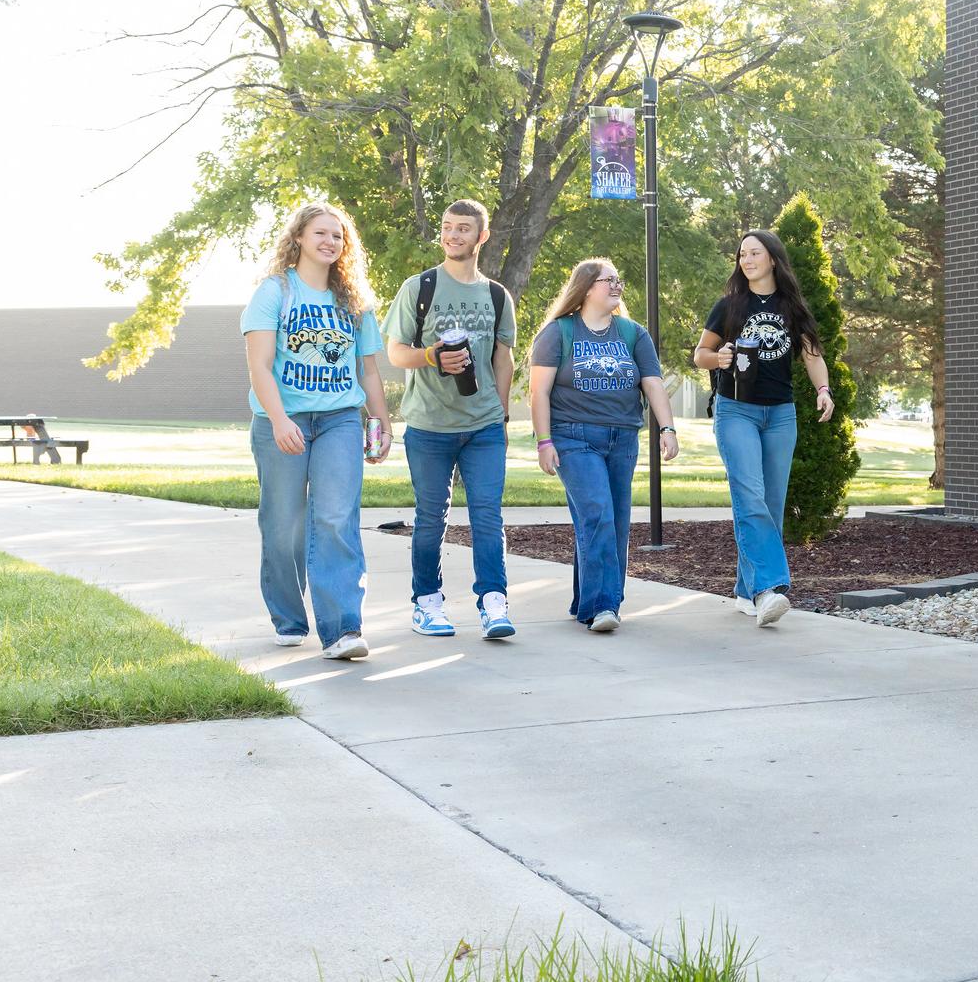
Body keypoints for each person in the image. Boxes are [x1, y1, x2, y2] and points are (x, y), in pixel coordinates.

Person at [241, 203, 389, 660]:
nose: (330, 242)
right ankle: (288, 616)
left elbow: (368, 372)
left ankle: (343, 629)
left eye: (338, 236)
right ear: (299, 238)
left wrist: (381, 422)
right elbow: (259, 367)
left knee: (335, 518)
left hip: (340, 420)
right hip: (280, 421)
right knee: (283, 524)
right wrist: (281, 420)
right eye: (320, 233)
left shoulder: (354, 302)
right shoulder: (274, 292)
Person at [383, 200, 519, 640]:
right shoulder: (419, 287)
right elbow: (396, 352)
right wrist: (432, 356)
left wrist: (499, 412)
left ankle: (494, 603)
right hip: (428, 426)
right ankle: (427, 604)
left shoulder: (497, 295)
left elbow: (504, 358)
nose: (453, 235)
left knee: (487, 516)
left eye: (463, 229)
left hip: (483, 427)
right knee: (430, 517)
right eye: (447, 228)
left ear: (481, 237)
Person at [691, 230, 836, 628]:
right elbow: (699, 354)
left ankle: (744, 590)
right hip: (736, 409)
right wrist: (717, 358)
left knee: (771, 503)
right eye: (742, 254)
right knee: (750, 496)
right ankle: (769, 589)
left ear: (773, 258)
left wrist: (823, 390)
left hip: (780, 414)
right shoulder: (729, 306)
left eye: (755, 253)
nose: (747, 259)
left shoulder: (792, 307)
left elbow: (812, 355)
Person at [529, 258, 679, 634]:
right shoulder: (557, 333)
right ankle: (604, 606)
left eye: (618, 280)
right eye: (607, 280)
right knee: (597, 514)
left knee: (614, 521)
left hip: (623, 439)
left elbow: (653, 383)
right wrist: (544, 441)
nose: (616, 286)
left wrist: (668, 428)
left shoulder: (632, 334)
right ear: (585, 287)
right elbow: (539, 393)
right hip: (573, 437)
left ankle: (586, 600)